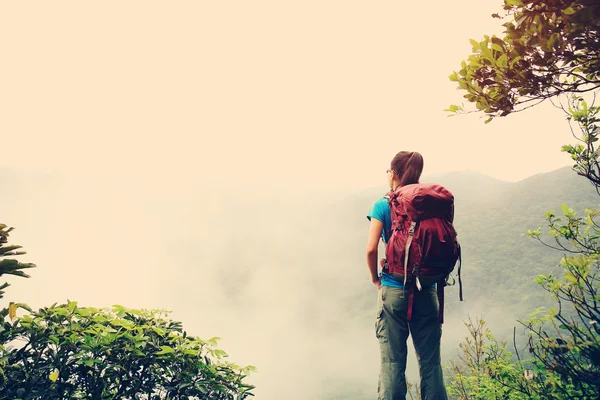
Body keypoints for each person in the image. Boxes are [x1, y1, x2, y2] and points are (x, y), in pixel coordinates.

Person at [366, 151, 448, 400]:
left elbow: (370, 249)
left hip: (393, 289)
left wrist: (376, 281)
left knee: (392, 361)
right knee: (431, 363)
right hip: (427, 289)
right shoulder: (431, 204)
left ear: (393, 174)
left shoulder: (383, 204)